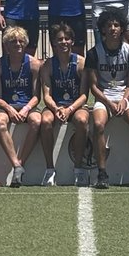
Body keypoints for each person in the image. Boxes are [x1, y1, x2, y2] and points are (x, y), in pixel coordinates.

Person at [84, 8, 129, 190]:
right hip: (104, 96)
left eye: (116, 25)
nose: (113, 29)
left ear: (122, 28)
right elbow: (94, 87)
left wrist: (124, 101)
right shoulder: (93, 53)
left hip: (124, 96)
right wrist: (109, 103)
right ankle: (102, 172)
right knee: (99, 124)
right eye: (109, 25)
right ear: (102, 29)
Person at [34, 22, 89, 187]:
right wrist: (57, 108)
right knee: (45, 121)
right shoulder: (48, 65)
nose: (63, 42)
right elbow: (46, 95)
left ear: (72, 41)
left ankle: (79, 168)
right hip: (55, 105)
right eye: (59, 39)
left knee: (82, 120)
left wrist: (70, 108)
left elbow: (84, 95)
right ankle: (50, 169)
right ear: (54, 43)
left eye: (67, 39)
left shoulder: (81, 63)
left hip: (75, 105)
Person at [0, 26, 43, 187]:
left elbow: (36, 96)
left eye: (21, 41)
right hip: (7, 106)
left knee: (37, 120)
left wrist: (26, 109)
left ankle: (21, 162)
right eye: (13, 42)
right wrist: (10, 109)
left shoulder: (34, 64)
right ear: (6, 45)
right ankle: (16, 164)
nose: (18, 45)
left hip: (27, 105)